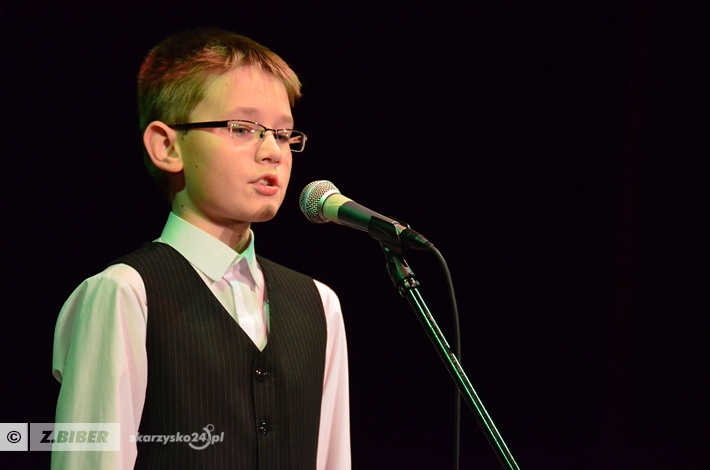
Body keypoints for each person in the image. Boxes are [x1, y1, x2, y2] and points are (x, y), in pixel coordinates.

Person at [51, 28, 350, 469]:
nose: (273, 151)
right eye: (243, 128)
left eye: (284, 134)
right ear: (167, 146)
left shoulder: (319, 305)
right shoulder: (125, 293)